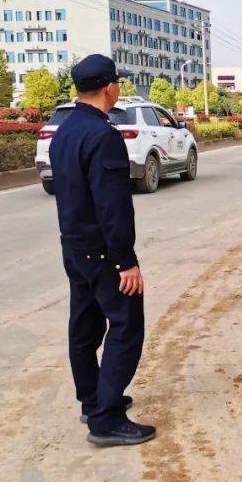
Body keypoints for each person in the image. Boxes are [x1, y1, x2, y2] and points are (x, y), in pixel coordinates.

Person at [50, 54, 155, 447]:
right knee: (126, 324)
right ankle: (106, 418)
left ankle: (92, 399)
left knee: (85, 324)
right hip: (102, 253)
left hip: (74, 246)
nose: (119, 88)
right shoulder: (102, 135)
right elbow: (112, 206)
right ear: (110, 87)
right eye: (118, 83)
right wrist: (125, 261)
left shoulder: (65, 131)